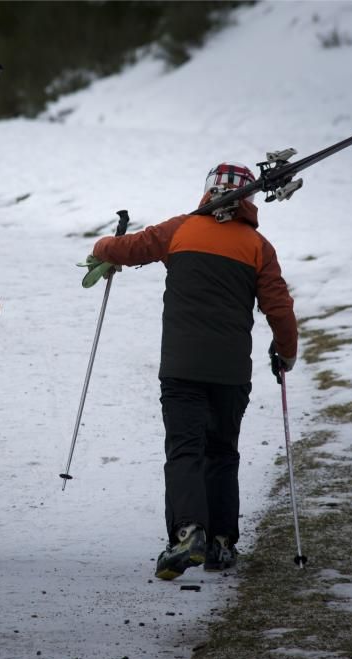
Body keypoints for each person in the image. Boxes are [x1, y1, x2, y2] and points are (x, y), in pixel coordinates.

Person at [82, 162, 297, 580]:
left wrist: (104, 247)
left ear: (207, 192)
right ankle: (220, 543)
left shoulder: (180, 230)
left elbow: (131, 248)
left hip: (181, 369)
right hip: (232, 373)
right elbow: (279, 307)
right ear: (248, 199)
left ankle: (187, 533)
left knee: (185, 450)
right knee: (222, 451)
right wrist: (286, 352)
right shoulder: (258, 246)